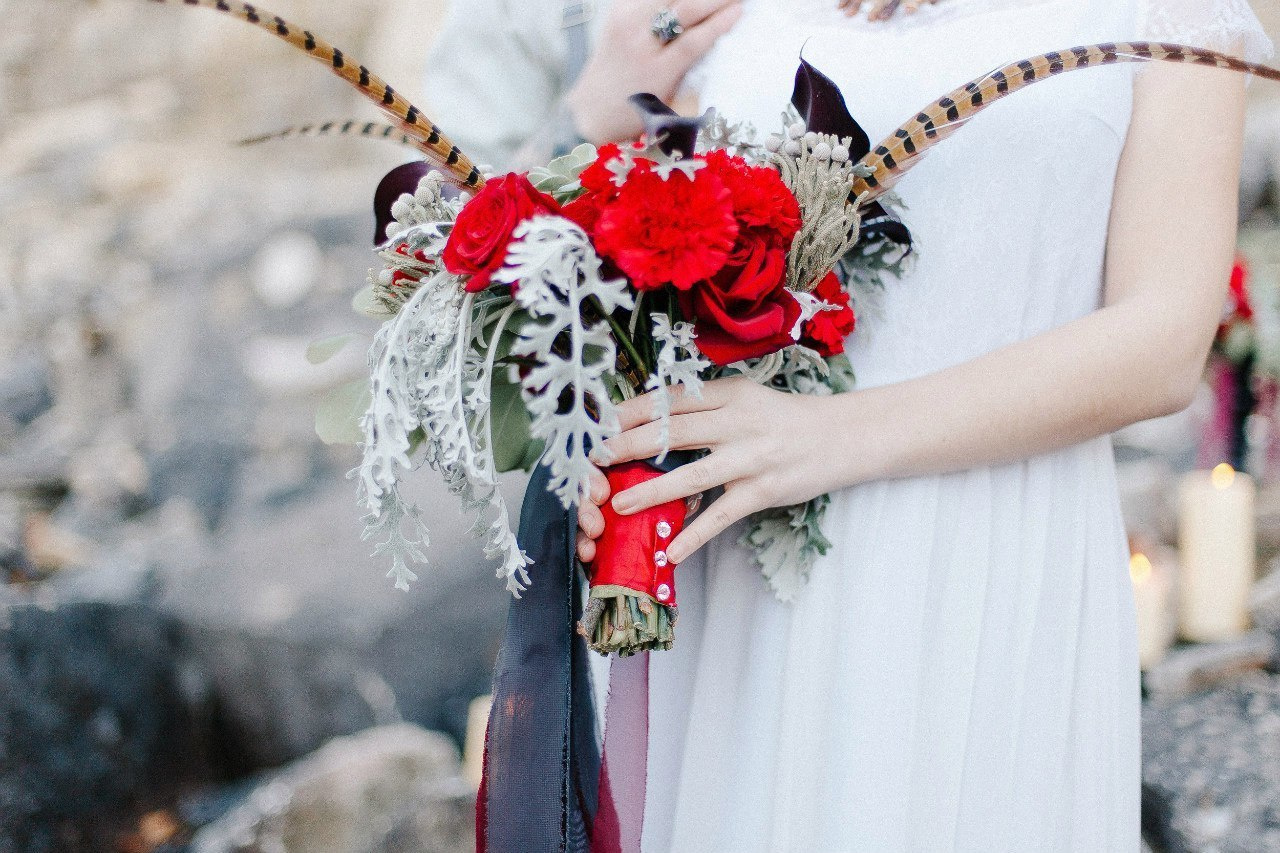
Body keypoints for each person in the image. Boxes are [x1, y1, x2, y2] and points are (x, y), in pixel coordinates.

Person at [430, 0, 1273, 850]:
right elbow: (587, 273)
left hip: (989, 560)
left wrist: (828, 436)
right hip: (736, 574)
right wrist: (595, 111)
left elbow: (1163, 342)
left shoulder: (1175, 13)